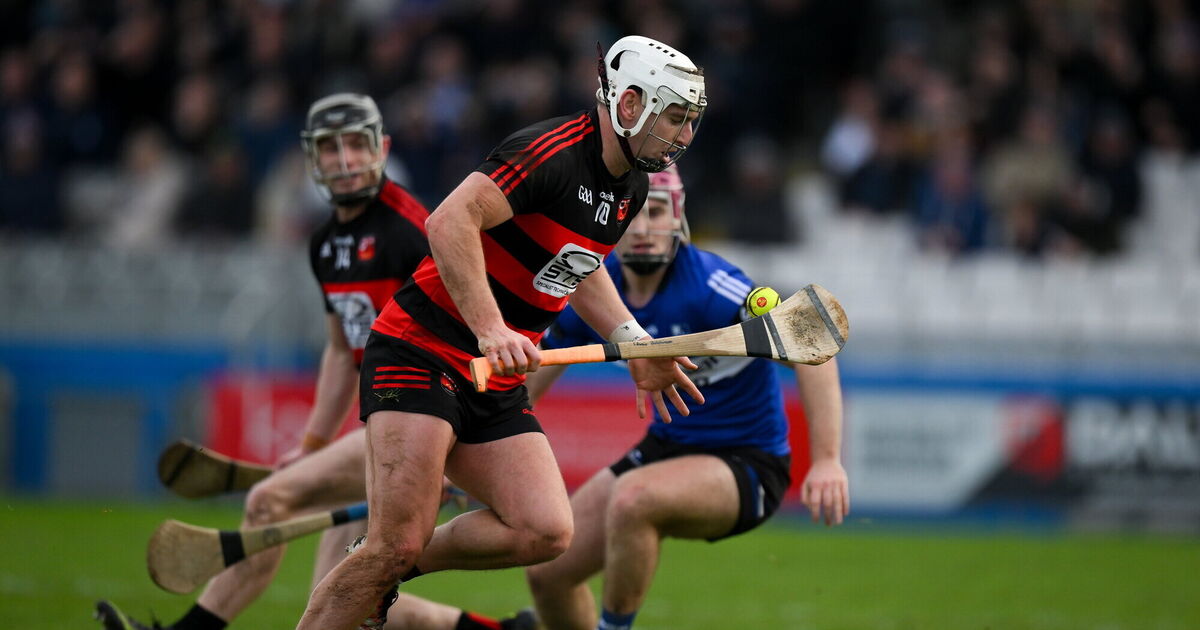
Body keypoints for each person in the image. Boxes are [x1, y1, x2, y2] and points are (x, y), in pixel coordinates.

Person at [293, 35, 708, 630]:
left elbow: (577, 268)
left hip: (490, 376)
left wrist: (634, 341)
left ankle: (384, 563)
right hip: (423, 349)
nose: (685, 136)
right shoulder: (553, 153)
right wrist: (491, 329)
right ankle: (386, 559)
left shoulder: (631, 187)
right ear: (628, 103)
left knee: (545, 529)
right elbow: (450, 220)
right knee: (397, 542)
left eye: (691, 122)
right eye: (675, 117)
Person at [388, 166, 849, 630]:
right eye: (636, 216)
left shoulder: (713, 288)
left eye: (659, 213)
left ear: (679, 218)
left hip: (749, 463)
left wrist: (827, 459)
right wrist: (467, 456)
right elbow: (528, 388)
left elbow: (814, 348)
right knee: (549, 573)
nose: (644, 229)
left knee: (634, 501)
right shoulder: (594, 288)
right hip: (666, 450)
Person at [93, 93, 435, 630]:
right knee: (348, 595)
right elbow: (342, 353)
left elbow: (461, 337)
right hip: (382, 430)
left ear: (382, 148)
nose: (344, 160)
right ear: (311, 160)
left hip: (422, 426)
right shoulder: (325, 243)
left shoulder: (413, 232)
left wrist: (450, 453)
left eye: (355, 145)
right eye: (329, 148)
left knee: (273, 507)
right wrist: (314, 445)